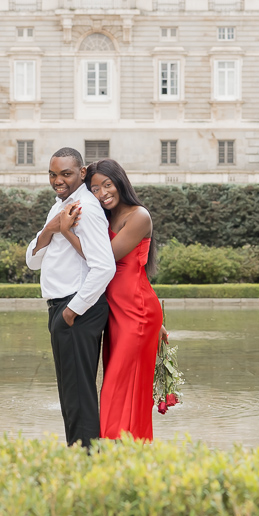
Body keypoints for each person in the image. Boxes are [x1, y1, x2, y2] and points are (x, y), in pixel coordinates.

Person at [25, 147, 115, 447]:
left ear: (82, 173)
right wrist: (51, 229)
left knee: (78, 395)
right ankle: (81, 458)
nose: (57, 180)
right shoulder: (60, 207)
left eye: (65, 174)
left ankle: (87, 461)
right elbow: (32, 260)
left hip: (77, 308)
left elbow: (104, 267)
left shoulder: (85, 209)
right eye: (52, 174)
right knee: (71, 393)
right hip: (63, 308)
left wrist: (71, 312)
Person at [83, 159, 166, 441]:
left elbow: (104, 259)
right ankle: (123, 446)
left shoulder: (139, 215)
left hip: (138, 312)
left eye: (107, 184)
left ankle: (118, 446)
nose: (103, 192)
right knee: (117, 381)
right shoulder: (103, 218)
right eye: (95, 188)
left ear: (120, 182)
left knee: (119, 383)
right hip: (116, 314)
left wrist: (66, 230)